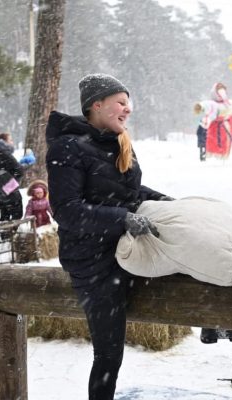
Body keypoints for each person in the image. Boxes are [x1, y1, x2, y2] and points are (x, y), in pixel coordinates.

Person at [46, 73, 172, 400]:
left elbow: (129, 192)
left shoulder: (119, 141)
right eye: (121, 102)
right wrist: (122, 219)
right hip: (93, 262)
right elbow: (66, 209)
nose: (128, 109)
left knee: (187, 254)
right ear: (97, 105)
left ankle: (223, 324)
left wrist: (169, 203)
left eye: (128, 103)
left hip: (125, 249)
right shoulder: (67, 147)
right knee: (109, 354)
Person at [194, 83, 232, 160]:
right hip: (215, 126)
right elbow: (205, 105)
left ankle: (222, 154)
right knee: (214, 140)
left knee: (225, 141)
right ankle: (211, 154)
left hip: (226, 126)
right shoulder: (212, 104)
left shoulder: (228, 103)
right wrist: (200, 107)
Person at [0, 132, 24, 221]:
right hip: (9, 188)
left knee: (4, 216)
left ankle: (5, 233)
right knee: (17, 215)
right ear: (4, 142)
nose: (12, 142)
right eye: (10, 140)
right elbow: (19, 170)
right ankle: (9, 234)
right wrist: (26, 165)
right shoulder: (5, 155)